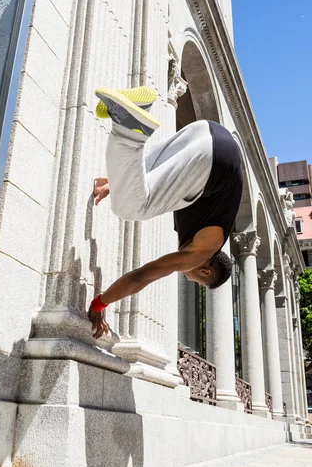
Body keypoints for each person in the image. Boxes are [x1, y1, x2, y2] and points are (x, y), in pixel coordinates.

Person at [88, 85, 243, 339]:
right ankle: (128, 125)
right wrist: (99, 304)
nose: (187, 275)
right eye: (195, 280)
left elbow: (163, 171)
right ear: (205, 270)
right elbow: (142, 275)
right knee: (130, 208)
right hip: (216, 164)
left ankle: (141, 107)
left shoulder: (206, 225)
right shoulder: (202, 251)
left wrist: (117, 183)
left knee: (144, 192)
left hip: (208, 132)